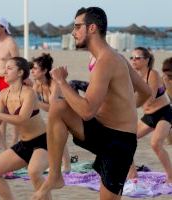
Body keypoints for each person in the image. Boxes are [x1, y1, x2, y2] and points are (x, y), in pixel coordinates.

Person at [32, 7, 151, 200]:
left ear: (92, 28)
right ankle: (55, 175)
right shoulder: (115, 57)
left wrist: (61, 82)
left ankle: (55, 175)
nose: (73, 32)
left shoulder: (106, 61)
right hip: (106, 133)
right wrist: (126, 110)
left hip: (118, 143)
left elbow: (87, 111)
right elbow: (146, 91)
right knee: (59, 108)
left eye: (78, 26)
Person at [0, 57, 50, 200]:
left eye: (10, 68)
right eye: (5, 68)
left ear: (20, 72)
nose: (5, 71)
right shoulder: (3, 94)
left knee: (34, 172)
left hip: (43, 142)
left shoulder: (29, 93)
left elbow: (22, 119)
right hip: (24, 144)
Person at [127, 47, 172, 182]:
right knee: (125, 140)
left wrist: (129, 104)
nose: (134, 60)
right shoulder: (133, 76)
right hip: (148, 117)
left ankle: (170, 176)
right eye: (132, 58)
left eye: (137, 58)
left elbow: (149, 97)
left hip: (164, 113)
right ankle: (132, 173)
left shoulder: (152, 74)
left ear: (146, 60)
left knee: (155, 144)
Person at [30, 53, 71, 173]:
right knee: (55, 137)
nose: (32, 71)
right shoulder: (37, 84)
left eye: (35, 68)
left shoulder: (54, 84)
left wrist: (35, 102)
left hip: (68, 112)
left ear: (44, 71)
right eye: (32, 68)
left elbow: (52, 107)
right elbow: (31, 103)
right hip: (56, 114)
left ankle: (66, 165)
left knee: (57, 137)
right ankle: (61, 165)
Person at [0, 17, 20, 147]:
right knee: (1, 111)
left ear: (3, 28)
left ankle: (15, 141)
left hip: (9, 80)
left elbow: (18, 62)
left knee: (14, 111)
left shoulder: (11, 43)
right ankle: (1, 140)